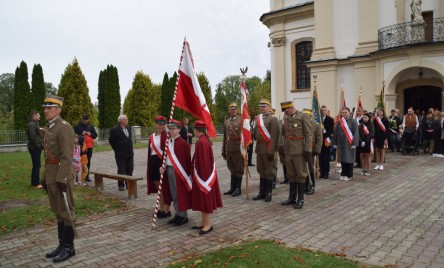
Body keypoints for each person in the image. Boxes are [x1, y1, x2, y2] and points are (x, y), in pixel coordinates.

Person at [41, 95, 76, 263]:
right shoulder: (49, 127)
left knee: (66, 211)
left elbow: (67, 156)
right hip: (51, 174)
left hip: (62, 176)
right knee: (58, 211)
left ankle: (69, 247)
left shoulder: (64, 128)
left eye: (49, 108)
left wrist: (62, 178)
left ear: (58, 110)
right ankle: (61, 245)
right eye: (45, 107)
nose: (46, 110)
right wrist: (44, 176)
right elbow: (48, 155)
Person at [191, 120, 223, 235]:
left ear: (196, 130)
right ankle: (204, 221)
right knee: (202, 200)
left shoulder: (201, 142)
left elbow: (203, 162)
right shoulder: (203, 140)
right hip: (202, 176)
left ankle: (208, 224)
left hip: (203, 177)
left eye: (193, 129)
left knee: (205, 199)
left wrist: (202, 178)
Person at [279, 102, 312, 209]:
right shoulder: (286, 118)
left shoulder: (302, 116)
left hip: (299, 150)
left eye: (286, 110)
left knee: (301, 174)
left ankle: (300, 199)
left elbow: (308, 134)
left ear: (292, 108)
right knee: (291, 174)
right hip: (288, 151)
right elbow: (284, 134)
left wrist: (307, 150)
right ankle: (291, 198)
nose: (285, 112)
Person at [159, 119, 192, 226]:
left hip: (179, 172)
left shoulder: (183, 143)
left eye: (173, 129)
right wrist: (163, 166)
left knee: (180, 193)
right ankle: (178, 214)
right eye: (170, 129)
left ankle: (183, 216)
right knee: (173, 193)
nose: (171, 131)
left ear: (179, 129)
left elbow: (187, 159)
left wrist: (188, 175)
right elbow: (165, 156)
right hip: (169, 169)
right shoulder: (168, 141)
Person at [252, 99, 280, 202]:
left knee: (269, 171)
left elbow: (274, 136)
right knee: (261, 170)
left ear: (268, 107)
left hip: (268, 149)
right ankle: (262, 192)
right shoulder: (258, 118)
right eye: (260, 106)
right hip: (259, 149)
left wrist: (271, 151)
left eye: (264, 106)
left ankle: (268, 193)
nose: (262, 108)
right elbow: (255, 133)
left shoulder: (273, 119)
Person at [146, 116, 171, 218]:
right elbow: (150, 151)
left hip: (162, 163)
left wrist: (164, 164)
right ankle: (161, 209)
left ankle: (166, 209)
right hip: (153, 162)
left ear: (165, 124)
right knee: (159, 189)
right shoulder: (152, 136)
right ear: (156, 124)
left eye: (163, 124)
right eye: (158, 123)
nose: (160, 126)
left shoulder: (168, 136)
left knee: (164, 187)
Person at [221, 102, 244, 197]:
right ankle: (232, 187)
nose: (234, 110)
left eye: (235, 108)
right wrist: (223, 150)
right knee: (232, 168)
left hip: (238, 148)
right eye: (232, 109)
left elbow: (245, 135)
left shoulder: (241, 120)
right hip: (229, 148)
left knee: (238, 168)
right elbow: (225, 137)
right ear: (229, 110)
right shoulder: (227, 121)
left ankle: (238, 188)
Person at [333, 107, 359, 181]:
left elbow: (356, 133)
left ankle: (349, 175)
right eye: (343, 112)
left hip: (350, 144)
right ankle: (343, 173)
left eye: (345, 112)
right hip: (341, 143)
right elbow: (336, 133)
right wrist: (334, 142)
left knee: (349, 159)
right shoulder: (340, 121)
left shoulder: (353, 122)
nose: (344, 114)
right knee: (342, 159)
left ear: (349, 113)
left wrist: (354, 143)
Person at [108, 115, 134, 191]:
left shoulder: (129, 128)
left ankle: (128, 183)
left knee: (130, 169)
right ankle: (121, 185)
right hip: (120, 154)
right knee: (121, 170)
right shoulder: (114, 129)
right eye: (126, 119)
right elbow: (111, 141)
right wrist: (116, 149)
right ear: (121, 121)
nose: (127, 120)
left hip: (129, 152)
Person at [302, 109, 322, 195]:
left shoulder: (316, 125)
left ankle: (312, 185)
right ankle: (305, 185)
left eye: (307, 115)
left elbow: (319, 139)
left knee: (310, 168)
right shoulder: (301, 125)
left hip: (311, 150)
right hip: (302, 150)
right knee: (303, 168)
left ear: (310, 116)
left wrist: (317, 150)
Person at [74, 114, 97, 182]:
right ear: (82, 120)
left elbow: (95, 136)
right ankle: (78, 176)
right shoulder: (78, 127)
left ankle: (87, 176)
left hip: (89, 147)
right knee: (80, 162)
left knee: (88, 161)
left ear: (88, 120)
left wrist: (90, 134)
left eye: (86, 121)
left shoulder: (90, 126)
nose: (85, 122)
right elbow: (74, 136)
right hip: (81, 147)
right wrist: (81, 134)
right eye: (84, 121)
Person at [26, 110, 43, 189]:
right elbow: (33, 137)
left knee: (37, 165)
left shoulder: (35, 123)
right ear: (34, 116)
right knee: (36, 165)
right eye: (38, 115)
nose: (39, 116)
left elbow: (37, 134)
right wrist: (38, 145)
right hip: (34, 148)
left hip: (36, 147)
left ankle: (34, 182)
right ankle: (36, 183)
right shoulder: (31, 124)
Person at [319, 105, 334, 179]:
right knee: (320, 158)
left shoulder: (330, 119)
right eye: (321, 110)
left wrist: (323, 135)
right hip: (319, 141)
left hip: (326, 140)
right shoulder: (318, 120)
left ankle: (326, 173)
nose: (323, 112)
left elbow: (331, 131)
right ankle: (321, 172)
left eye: (324, 110)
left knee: (326, 158)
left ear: (326, 111)